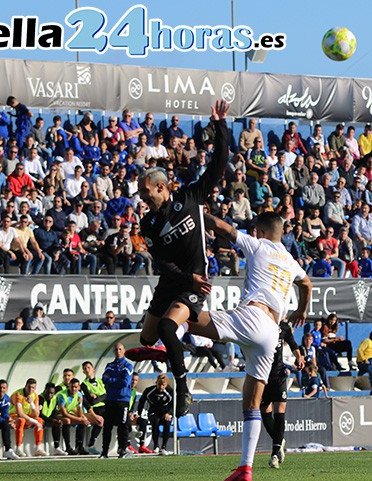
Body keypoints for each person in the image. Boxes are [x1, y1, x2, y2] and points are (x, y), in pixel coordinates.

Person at [186, 211, 312, 481]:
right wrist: (301, 310)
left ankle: (166, 344)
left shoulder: (257, 245)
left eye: (255, 230)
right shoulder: (290, 260)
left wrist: (196, 210)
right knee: (252, 403)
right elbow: (306, 283)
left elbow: (221, 226)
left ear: (261, 232)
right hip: (271, 332)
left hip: (252, 317)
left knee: (186, 318)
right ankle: (246, 468)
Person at [134, 100, 231, 417]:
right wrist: (185, 278)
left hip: (195, 281)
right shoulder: (147, 223)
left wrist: (219, 126)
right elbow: (162, 264)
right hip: (175, 280)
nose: (144, 199)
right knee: (147, 338)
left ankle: (183, 386)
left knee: (164, 328)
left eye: (146, 193)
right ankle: (184, 343)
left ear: (161, 187)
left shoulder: (189, 197)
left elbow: (218, 164)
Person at [262, 320, 303, 469]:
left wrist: (299, 356)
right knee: (265, 414)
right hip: (261, 376)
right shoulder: (259, 322)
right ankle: (279, 440)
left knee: (280, 413)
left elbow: (292, 343)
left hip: (278, 377)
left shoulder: (283, 327)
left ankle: (274, 454)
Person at [100, 343, 134, 459]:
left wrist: (112, 381)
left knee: (123, 426)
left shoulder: (128, 366)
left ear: (124, 350)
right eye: (116, 349)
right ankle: (104, 452)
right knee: (107, 426)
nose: (118, 351)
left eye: (120, 349)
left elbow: (125, 382)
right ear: (113, 351)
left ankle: (122, 449)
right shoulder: (110, 365)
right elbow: (104, 379)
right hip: (110, 399)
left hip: (122, 400)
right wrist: (116, 380)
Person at [136, 374, 174, 455]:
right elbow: (141, 402)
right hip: (154, 412)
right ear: (156, 383)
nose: (161, 387)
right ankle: (156, 446)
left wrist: (169, 413)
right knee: (155, 421)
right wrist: (139, 413)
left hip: (165, 412)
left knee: (167, 423)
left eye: (163, 385)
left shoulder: (170, 391)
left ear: (166, 385)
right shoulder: (149, 391)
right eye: (159, 384)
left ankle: (164, 447)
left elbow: (174, 404)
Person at [8, 378, 47, 457]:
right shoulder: (18, 395)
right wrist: (34, 421)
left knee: (40, 420)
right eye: (29, 387)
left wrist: (32, 403)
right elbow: (20, 413)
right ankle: (18, 448)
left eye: (33, 388)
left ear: (35, 388)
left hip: (28, 416)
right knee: (21, 420)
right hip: (14, 416)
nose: (30, 389)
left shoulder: (35, 396)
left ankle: (38, 448)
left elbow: (36, 414)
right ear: (25, 386)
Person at [57, 379, 91, 455]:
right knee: (67, 420)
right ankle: (68, 447)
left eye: (75, 387)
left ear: (78, 387)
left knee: (82, 421)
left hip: (70, 414)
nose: (73, 389)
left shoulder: (79, 394)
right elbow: (64, 413)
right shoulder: (62, 395)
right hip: (57, 414)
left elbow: (79, 414)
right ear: (69, 386)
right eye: (72, 387)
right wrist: (80, 419)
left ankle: (79, 446)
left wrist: (79, 405)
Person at [81, 361, 106, 455]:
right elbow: (91, 401)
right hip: (95, 409)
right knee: (101, 420)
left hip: (105, 406)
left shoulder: (100, 381)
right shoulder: (84, 384)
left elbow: (107, 395)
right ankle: (91, 445)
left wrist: (98, 397)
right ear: (83, 371)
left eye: (88, 367)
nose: (87, 370)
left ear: (93, 369)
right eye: (85, 368)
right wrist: (102, 396)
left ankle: (127, 440)